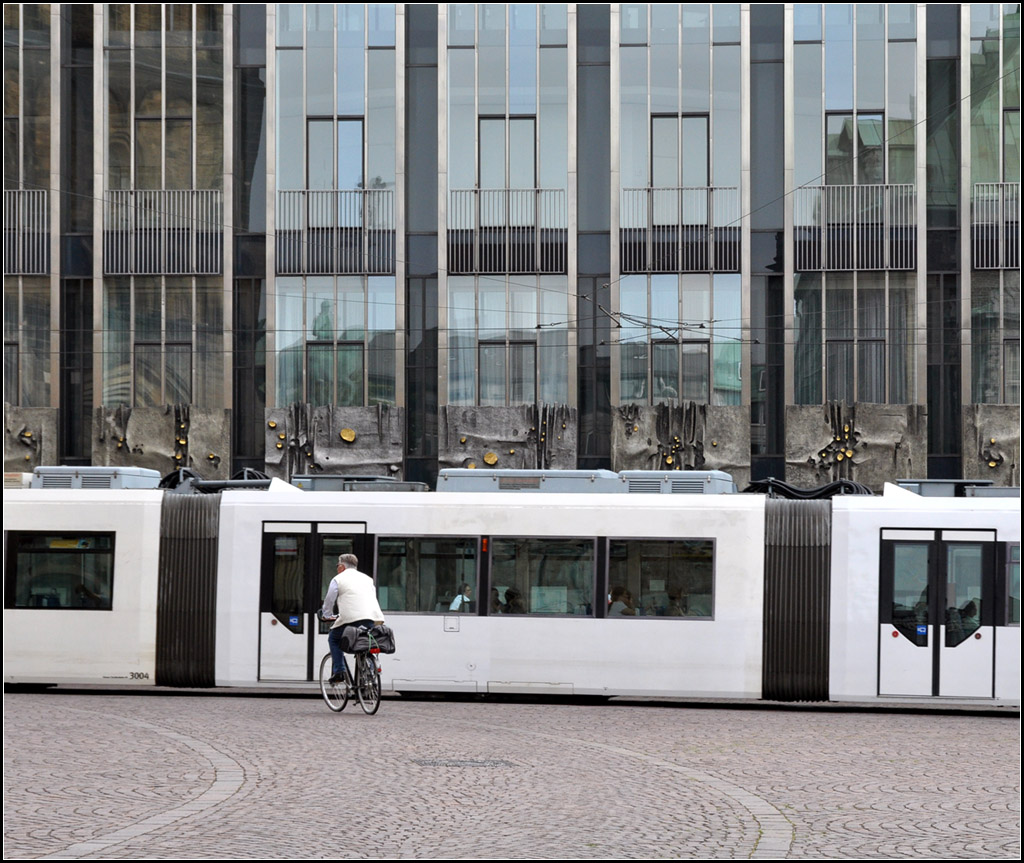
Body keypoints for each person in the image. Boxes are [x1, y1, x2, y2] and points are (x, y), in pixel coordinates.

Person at [321, 553, 385, 685]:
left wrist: (326, 614)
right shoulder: (368, 579)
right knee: (365, 642)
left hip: (350, 619)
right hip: (371, 618)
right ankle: (370, 671)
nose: (337, 568)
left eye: (338, 565)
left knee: (333, 638)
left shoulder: (338, 579)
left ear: (342, 567)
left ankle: (339, 671)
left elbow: (329, 600)